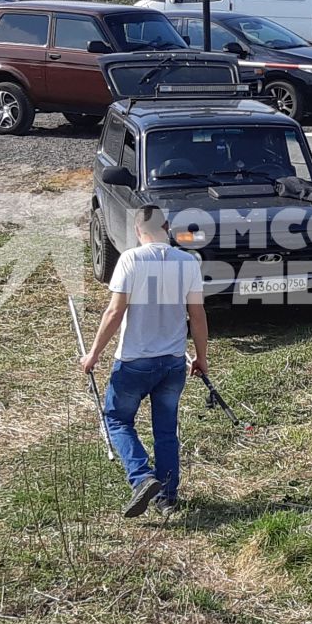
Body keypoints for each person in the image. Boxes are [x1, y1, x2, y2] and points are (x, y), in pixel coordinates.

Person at [78, 205, 209, 518]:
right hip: (173, 361)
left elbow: (114, 312)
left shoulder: (131, 260)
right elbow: (198, 315)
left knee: (117, 419)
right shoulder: (187, 261)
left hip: (135, 361)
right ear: (166, 227)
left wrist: (93, 353)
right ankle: (167, 496)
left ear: (138, 231)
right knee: (166, 430)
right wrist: (202, 357)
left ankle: (141, 477)